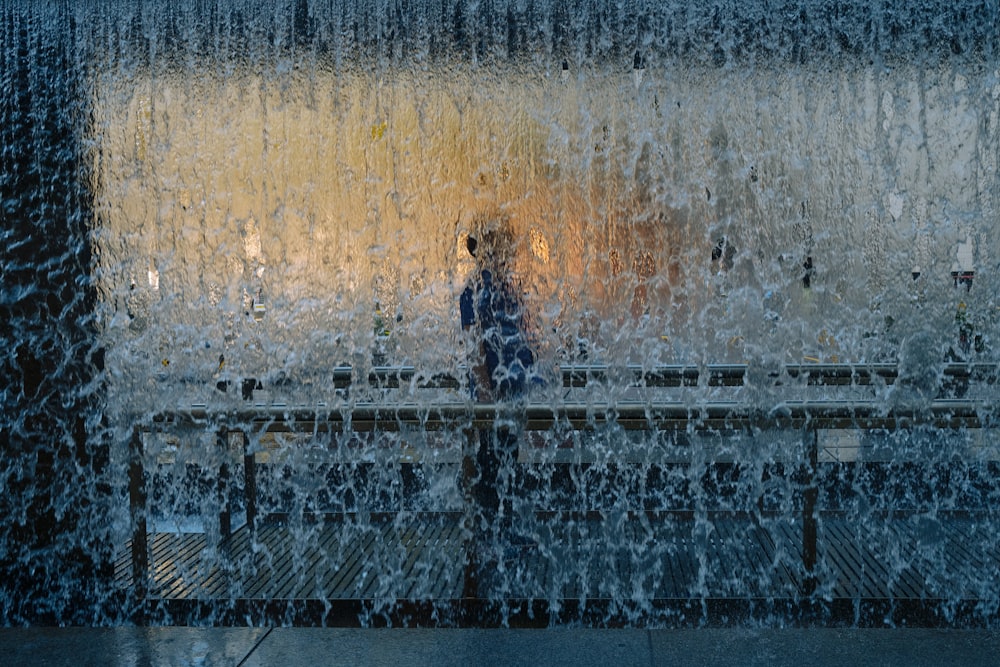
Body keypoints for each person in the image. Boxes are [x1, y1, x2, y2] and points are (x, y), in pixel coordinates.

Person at [460, 226, 537, 568]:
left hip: (512, 390)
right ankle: (487, 539)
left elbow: (523, 331)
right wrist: (485, 392)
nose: (507, 253)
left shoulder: (508, 287)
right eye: (501, 247)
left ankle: (506, 531)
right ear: (484, 251)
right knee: (489, 465)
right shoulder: (472, 291)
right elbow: (473, 344)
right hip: (490, 394)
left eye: (508, 247)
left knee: (508, 461)